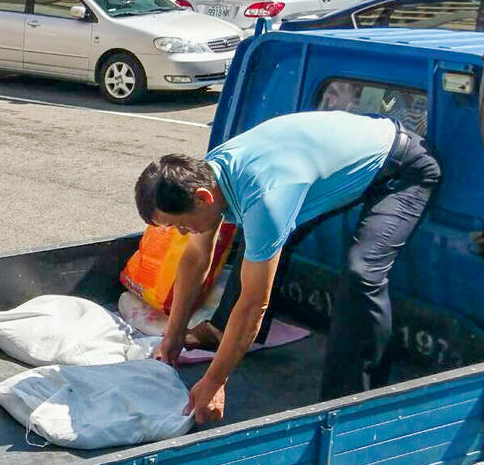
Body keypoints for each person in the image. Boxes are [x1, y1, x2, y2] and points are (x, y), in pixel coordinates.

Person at [134, 111, 441, 423]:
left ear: (203, 197)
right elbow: (196, 257)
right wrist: (173, 334)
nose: (182, 233)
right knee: (259, 245)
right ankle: (224, 332)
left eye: (180, 224)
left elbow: (254, 304)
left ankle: (354, 402)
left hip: (403, 168)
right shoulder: (209, 176)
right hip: (328, 165)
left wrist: (214, 382)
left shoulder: (264, 196)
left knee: (361, 273)